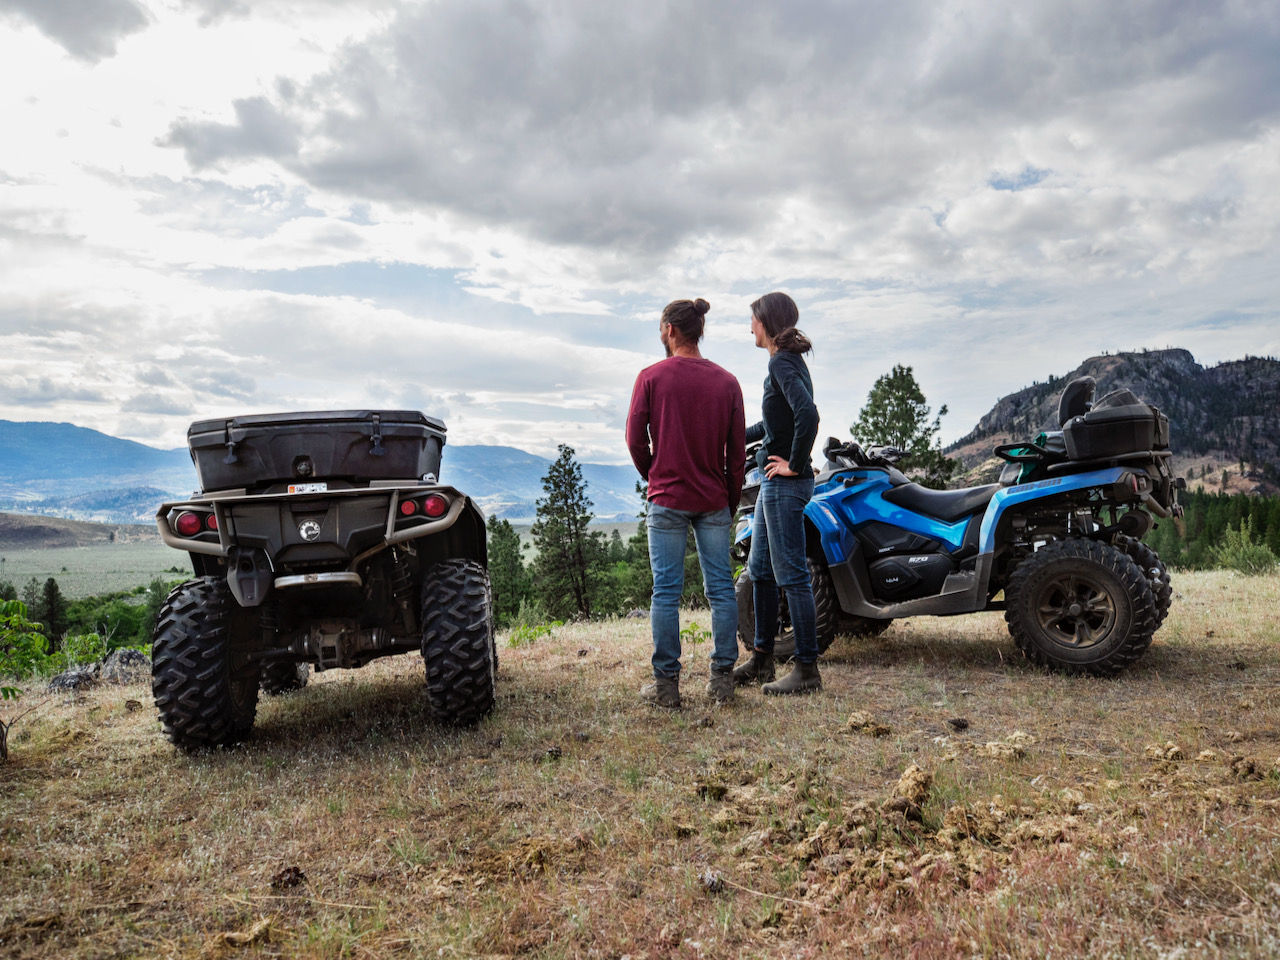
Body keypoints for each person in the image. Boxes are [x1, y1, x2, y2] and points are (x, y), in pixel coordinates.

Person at [626, 298, 746, 709]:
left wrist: (655, 474)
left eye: (661, 327)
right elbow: (736, 453)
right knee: (721, 591)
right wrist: (728, 499)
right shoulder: (727, 382)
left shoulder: (651, 377)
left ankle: (666, 687)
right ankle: (722, 680)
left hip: (668, 499)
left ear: (670, 330)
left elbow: (633, 440)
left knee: (666, 592)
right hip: (713, 499)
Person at [733, 291, 822, 695]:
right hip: (773, 482)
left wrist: (796, 464)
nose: (749, 327)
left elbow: (808, 414)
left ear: (766, 322)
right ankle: (763, 660)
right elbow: (773, 429)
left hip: (785, 483)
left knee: (793, 576)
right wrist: (729, 436)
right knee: (762, 571)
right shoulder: (782, 364)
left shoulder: (783, 363)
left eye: (752, 319)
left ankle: (806, 671)